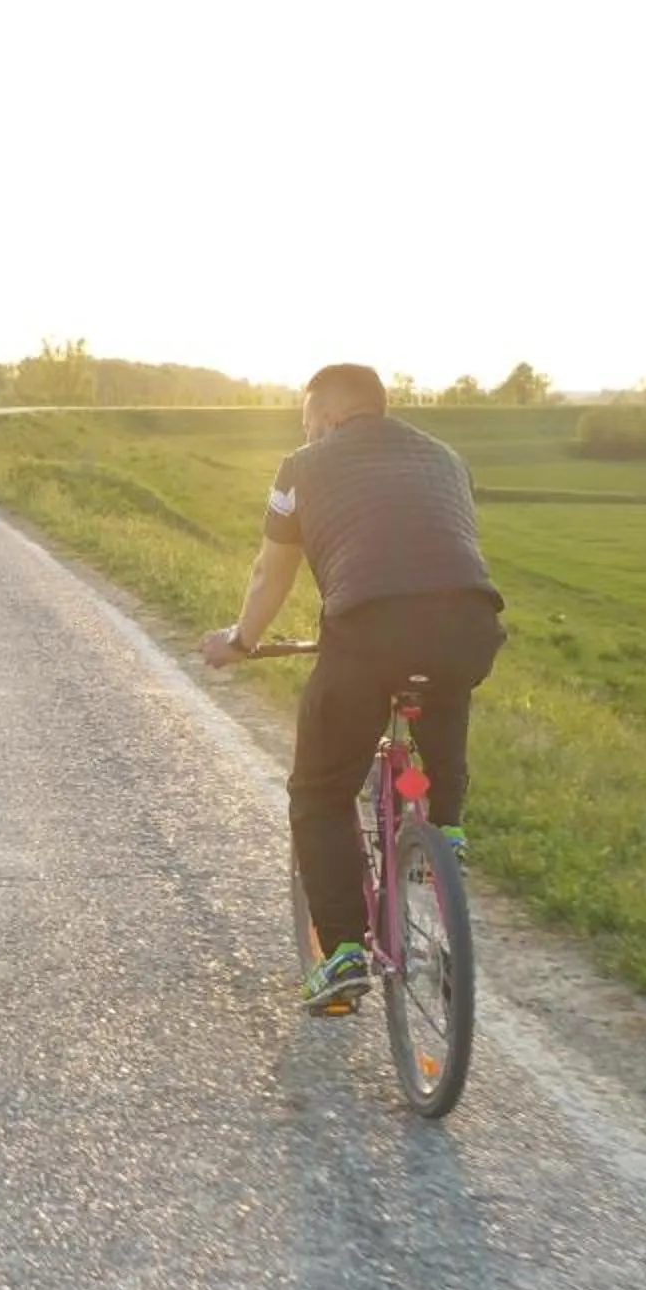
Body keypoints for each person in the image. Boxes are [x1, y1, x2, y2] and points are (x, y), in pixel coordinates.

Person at [200, 363, 505, 1015]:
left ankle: (341, 953)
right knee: (440, 699)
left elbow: (269, 574)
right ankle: (444, 836)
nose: (307, 433)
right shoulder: (447, 459)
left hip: (367, 634)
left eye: (309, 422)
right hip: (471, 628)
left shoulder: (301, 466)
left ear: (331, 417)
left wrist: (242, 641)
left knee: (318, 790)